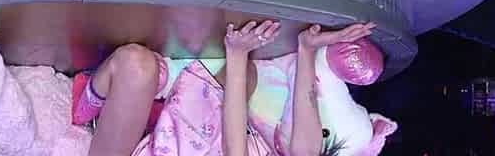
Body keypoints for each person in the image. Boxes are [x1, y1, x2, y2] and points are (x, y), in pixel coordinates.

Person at [73, 20, 396, 156]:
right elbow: (306, 113)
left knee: (134, 62)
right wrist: (307, 48)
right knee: (248, 74)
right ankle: (114, 101)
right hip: (199, 125)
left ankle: (89, 106)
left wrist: (238, 53)